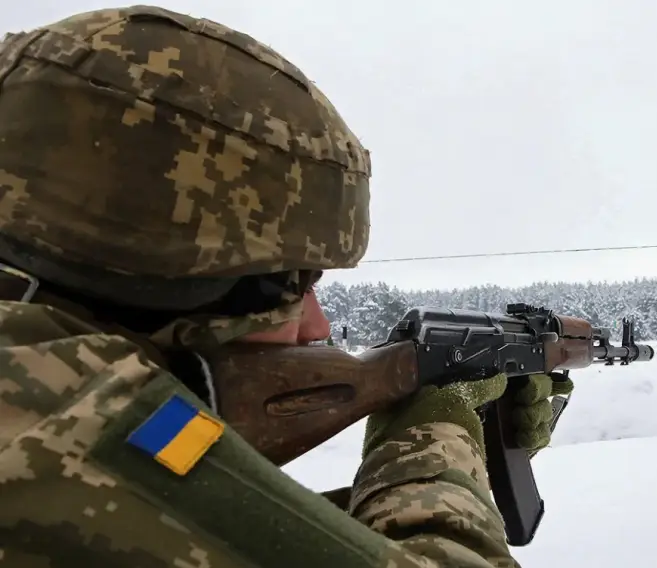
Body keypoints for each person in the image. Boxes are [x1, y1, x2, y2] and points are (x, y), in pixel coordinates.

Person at [0, 6, 573, 567]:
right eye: (289, 285)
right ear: (169, 282)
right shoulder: (59, 421)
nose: (318, 325)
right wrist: (440, 424)